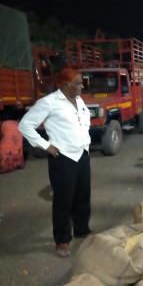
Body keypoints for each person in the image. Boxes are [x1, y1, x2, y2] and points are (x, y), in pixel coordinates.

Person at [18, 68, 91, 257]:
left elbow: (83, 123)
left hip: (82, 154)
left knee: (82, 196)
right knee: (63, 201)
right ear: (65, 85)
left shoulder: (79, 100)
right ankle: (62, 241)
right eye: (78, 83)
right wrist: (46, 145)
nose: (82, 86)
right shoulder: (49, 103)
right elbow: (25, 125)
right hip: (63, 158)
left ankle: (82, 230)